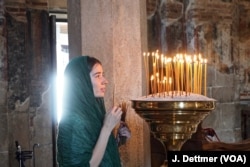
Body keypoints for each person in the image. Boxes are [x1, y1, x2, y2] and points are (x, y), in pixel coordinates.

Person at [57, 56, 123, 167]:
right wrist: (107, 128)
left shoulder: (93, 113)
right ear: (81, 81)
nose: (105, 81)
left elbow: (99, 148)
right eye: (97, 76)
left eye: (103, 75)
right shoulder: (71, 121)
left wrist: (119, 137)